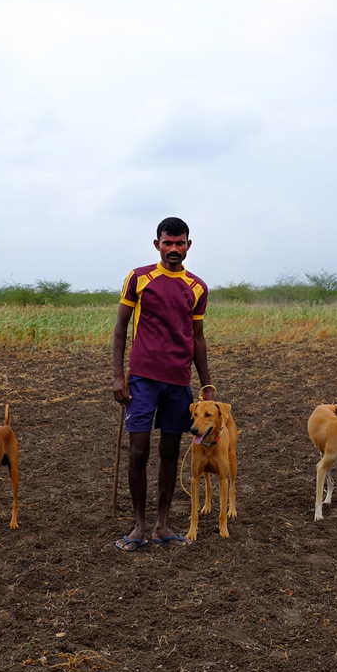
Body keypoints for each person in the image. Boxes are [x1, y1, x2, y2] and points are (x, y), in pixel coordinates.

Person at [112, 216, 215, 551]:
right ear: (157, 244)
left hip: (178, 382)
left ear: (188, 245)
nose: (174, 249)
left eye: (180, 243)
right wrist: (117, 375)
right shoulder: (139, 278)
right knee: (139, 451)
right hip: (142, 379)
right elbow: (120, 328)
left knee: (170, 451)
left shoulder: (197, 287)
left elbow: (197, 338)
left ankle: (162, 526)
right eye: (167, 243)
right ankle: (138, 527)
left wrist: (206, 383)